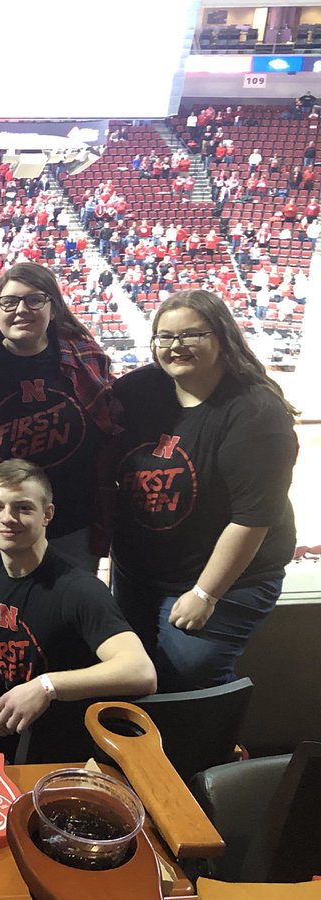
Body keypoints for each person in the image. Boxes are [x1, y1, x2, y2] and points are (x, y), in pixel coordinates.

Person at [110, 290, 298, 691]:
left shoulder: (256, 412)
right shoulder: (137, 391)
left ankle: (218, 747)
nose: (175, 346)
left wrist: (206, 593)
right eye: (165, 337)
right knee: (131, 672)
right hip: (141, 571)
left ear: (222, 338)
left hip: (227, 578)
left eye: (190, 335)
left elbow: (253, 519)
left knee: (188, 671)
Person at [0, 460, 156, 748]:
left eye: (23, 507)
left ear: (47, 514)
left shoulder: (79, 589)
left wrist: (46, 687)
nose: (7, 518)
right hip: (5, 729)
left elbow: (141, 671)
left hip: (71, 740)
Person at [0, 262, 116, 576]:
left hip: (69, 529)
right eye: (9, 301)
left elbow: (111, 432)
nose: (21, 310)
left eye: (34, 300)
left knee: (65, 620)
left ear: (53, 308)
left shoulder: (87, 361)